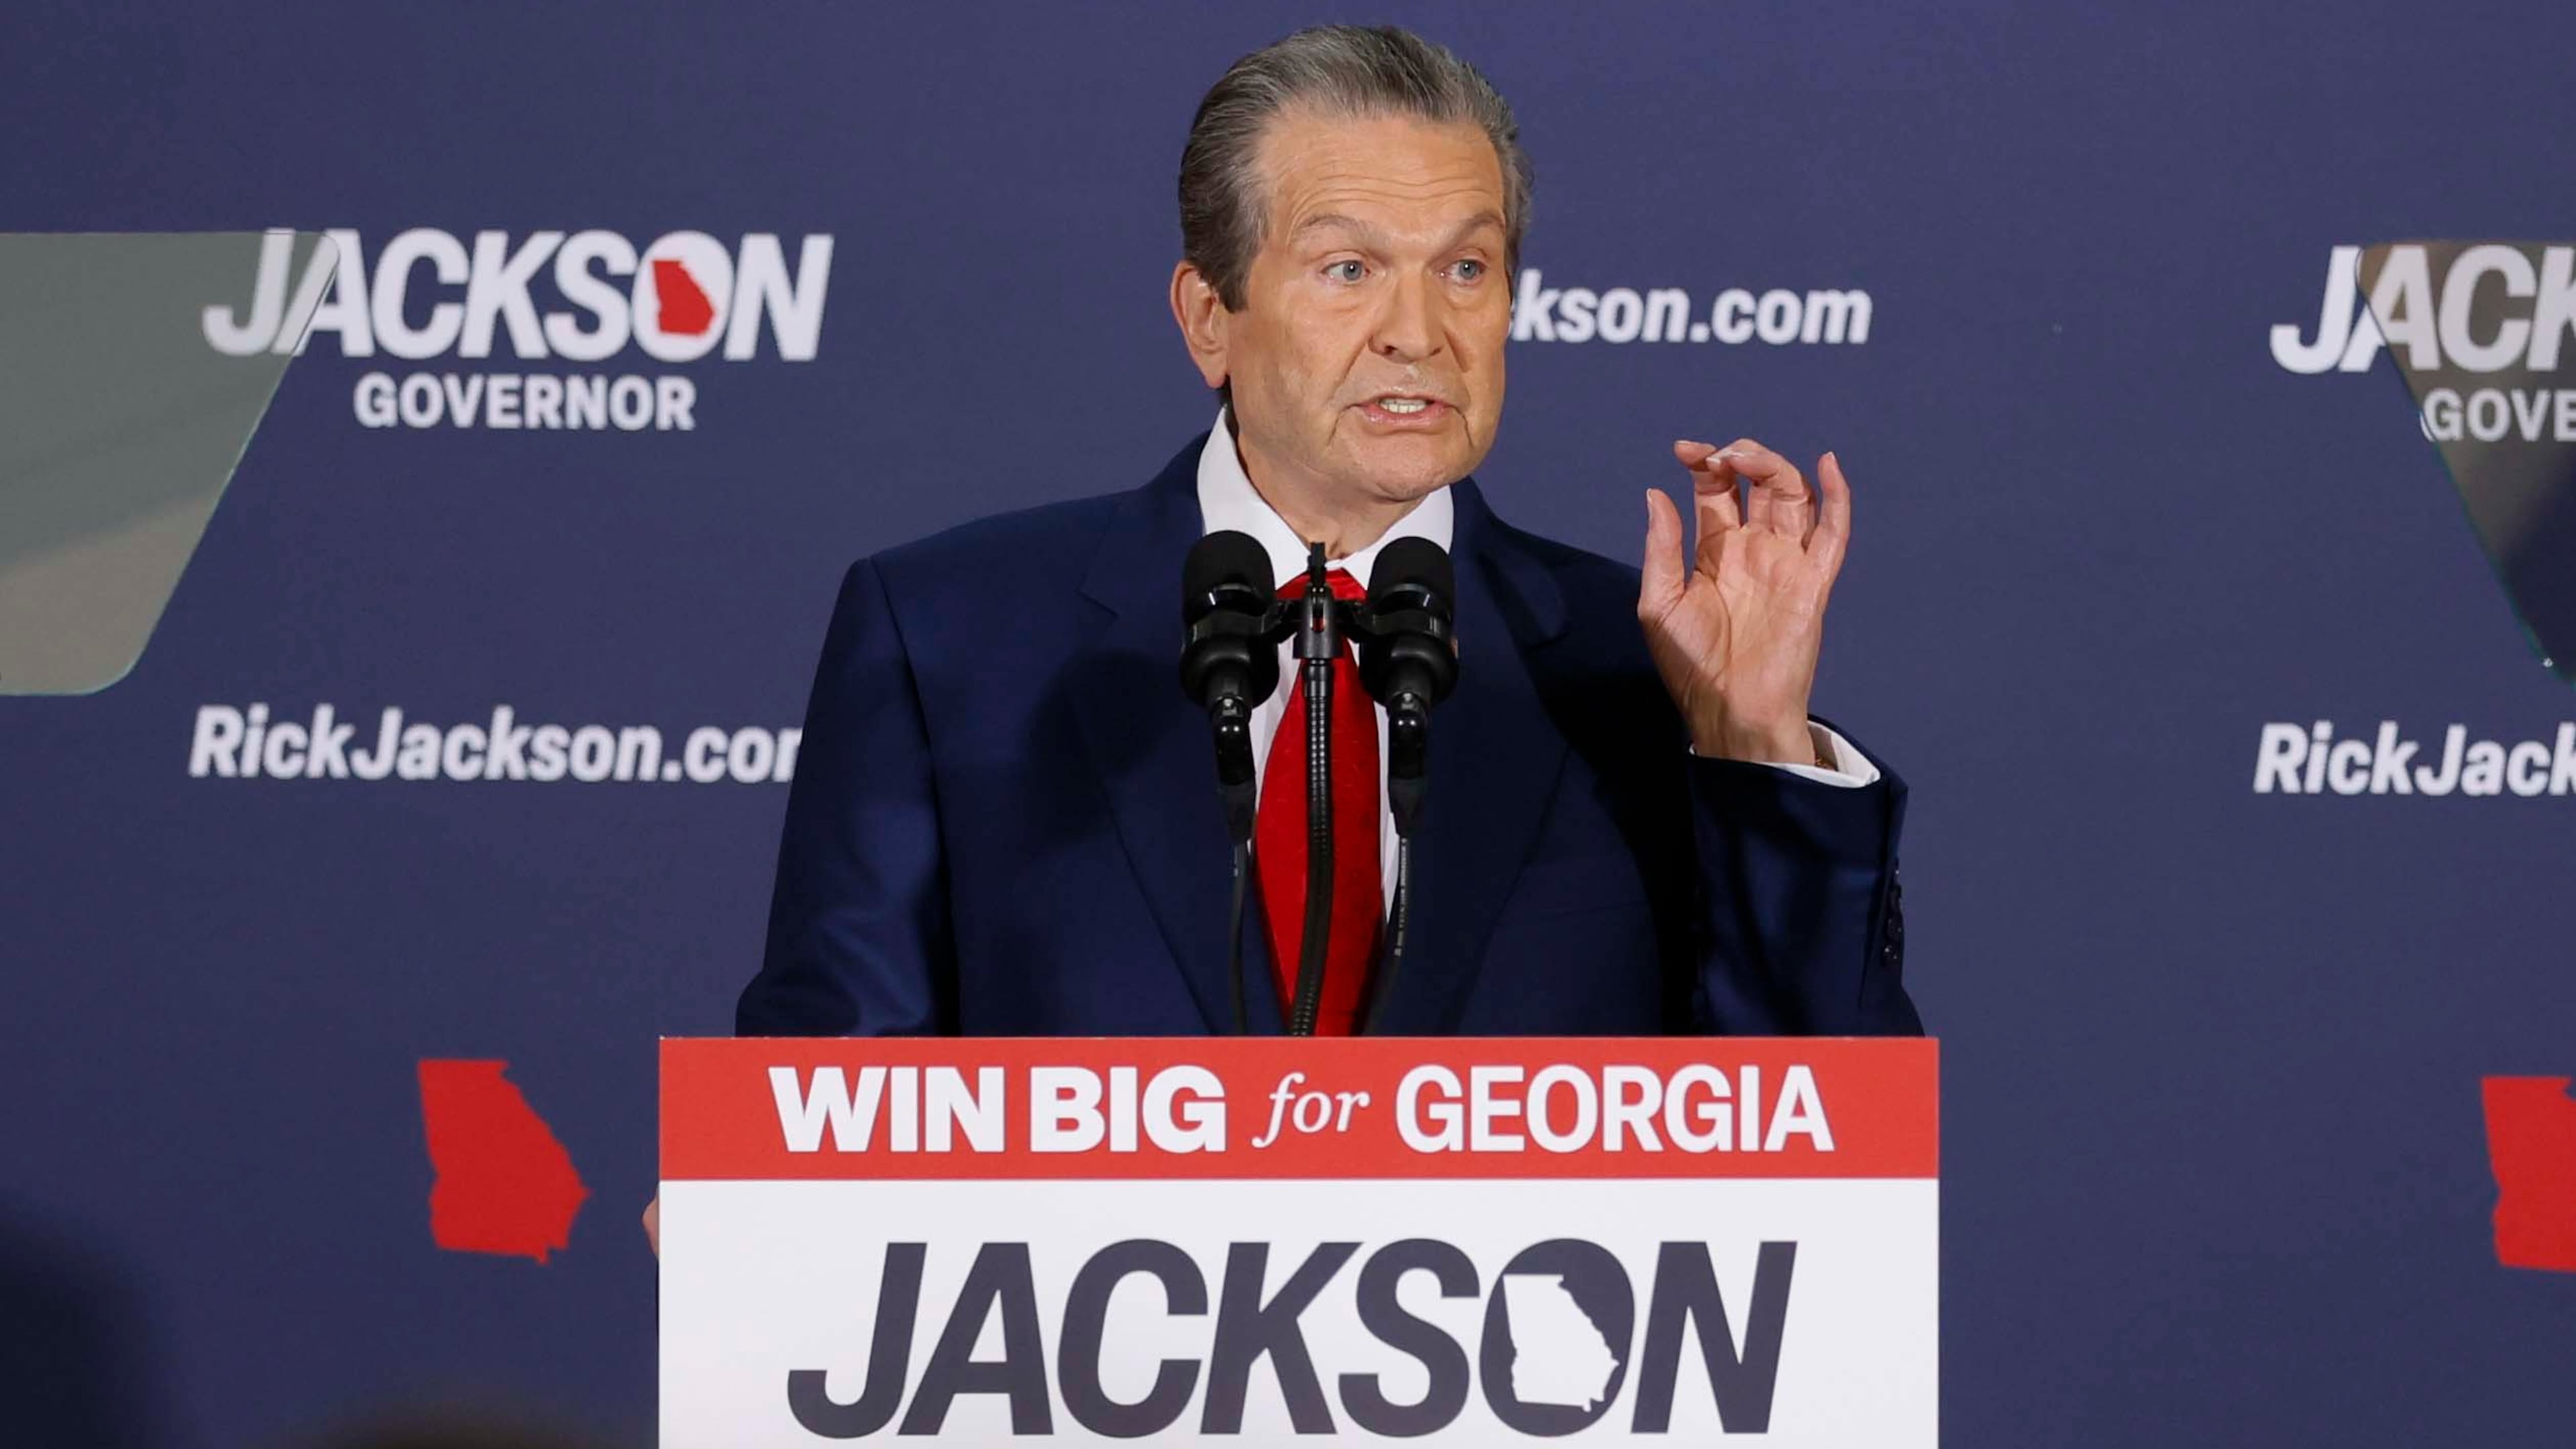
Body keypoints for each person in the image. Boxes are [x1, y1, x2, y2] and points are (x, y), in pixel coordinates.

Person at [647, 19, 1922, 1252]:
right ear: (1211, 317)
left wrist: (1754, 751)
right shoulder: (951, 637)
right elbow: (835, 1098)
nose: (1419, 332)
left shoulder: (1640, 664)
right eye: (1350, 268)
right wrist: (762, 1224)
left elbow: (1822, 1167)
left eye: (1466, 269)